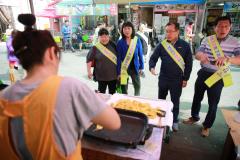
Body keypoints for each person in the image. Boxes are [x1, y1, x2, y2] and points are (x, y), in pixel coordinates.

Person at [0, 14, 121, 159]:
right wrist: (93, 100)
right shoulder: (69, 88)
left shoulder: (3, 97)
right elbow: (114, 122)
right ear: (51, 53)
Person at [183, 16, 240, 137]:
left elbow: (239, 59)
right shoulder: (207, 39)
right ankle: (194, 117)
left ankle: (207, 126)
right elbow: (198, 53)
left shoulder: (235, 42)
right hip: (204, 73)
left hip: (219, 76)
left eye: (226, 26)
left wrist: (228, 58)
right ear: (215, 28)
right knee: (197, 97)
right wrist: (201, 56)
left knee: (213, 103)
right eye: (220, 26)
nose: (223, 29)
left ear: (230, 28)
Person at [149, 22, 193, 131]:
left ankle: (174, 121)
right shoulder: (162, 44)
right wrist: (152, 67)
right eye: (167, 31)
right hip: (163, 78)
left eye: (171, 31)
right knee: (161, 100)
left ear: (177, 31)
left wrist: (185, 78)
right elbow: (153, 58)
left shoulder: (185, 45)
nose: (168, 34)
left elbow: (189, 63)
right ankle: (160, 120)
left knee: (175, 102)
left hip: (177, 79)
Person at [86, 28, 118, 94]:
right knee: (101, 94)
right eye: (102, 37)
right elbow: (89, 60)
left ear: (109, 37)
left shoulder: (114, 45)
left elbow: (120, 58)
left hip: (113, 76)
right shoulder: (95, 48)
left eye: (106, 36)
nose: (104, 39)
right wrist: (89, 72)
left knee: (112, 94)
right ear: (99, 37)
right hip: (101, 77)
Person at [117, 21, 144, 96]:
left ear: (132, 29)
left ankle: (136, 100)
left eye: (129, 28)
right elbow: (118, 58)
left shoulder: (137, 40)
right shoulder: (120, 42)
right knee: (124, 88)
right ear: (122, 30)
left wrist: (141, 67)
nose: (127, 31)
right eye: (125, 29)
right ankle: (125, 101)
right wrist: (118, 72)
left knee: (137, 86)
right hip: (124, 68)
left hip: (135, 67)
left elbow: (140, 54)